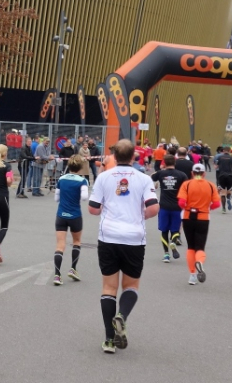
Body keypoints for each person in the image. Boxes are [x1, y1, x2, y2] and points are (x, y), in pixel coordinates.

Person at [88, 139, 159, 354]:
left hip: (108, 236)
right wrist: (139, 216)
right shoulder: (144, 178)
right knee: (131, 286)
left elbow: (93, 209)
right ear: (134, 156)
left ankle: (109, 340)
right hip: (133, 238)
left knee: (109, 288)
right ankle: (122, 316)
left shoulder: (103, 177)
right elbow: (153, 208)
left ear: (114, 156)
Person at [177, 163, 221, 285]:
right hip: (203, 217)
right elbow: (217, 204)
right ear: (204, 173)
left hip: (188, 217)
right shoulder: (210, 185)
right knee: (200, 247)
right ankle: (200, 262)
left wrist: (188, 208)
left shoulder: (186, 184)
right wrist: (207, 208)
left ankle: (192, 275)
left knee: (191, 246)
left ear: (192, 173)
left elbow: (181, 202)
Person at [53, 155, 90, 285]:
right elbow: (84, 197)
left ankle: (57, 275)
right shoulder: (82, 181)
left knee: (60, 245)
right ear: (80, 167)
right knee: (77, 241)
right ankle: (73, 269)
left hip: (61, 215)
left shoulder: (61, 179)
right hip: (75, 215)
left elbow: (56, 199)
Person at [151, 155, 188, 263]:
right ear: (175, 163)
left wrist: (160, 171)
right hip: (177, 206)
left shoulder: (161, 173)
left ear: (164, 163)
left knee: (164, 230)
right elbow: (187, 187)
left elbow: (151, 177)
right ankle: (173, 241)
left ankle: (166, 254)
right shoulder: (181, 175)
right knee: (175, 229)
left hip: (164, 206)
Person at [215, 146, 232, 213]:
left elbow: (216, 166)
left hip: (221, 176)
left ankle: (223, 209)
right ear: (229, 151)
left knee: (222, 193)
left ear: (223, 151)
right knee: (229, 191)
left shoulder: (219, 157)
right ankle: (229, 198)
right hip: (230, 176)